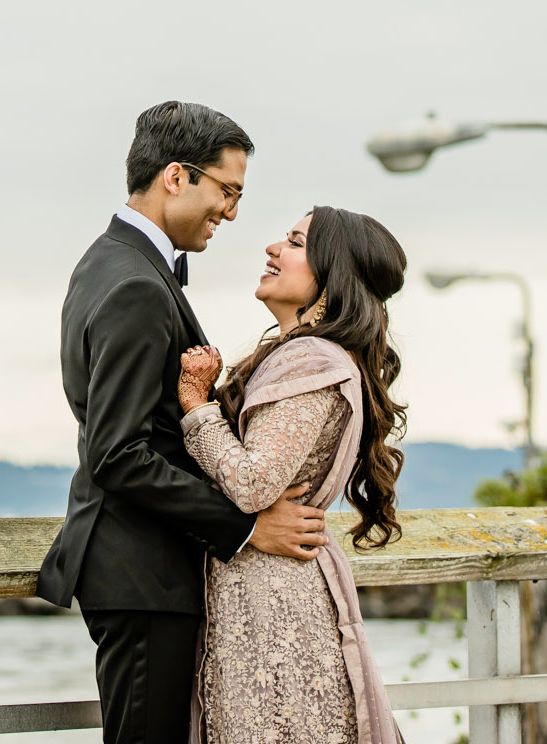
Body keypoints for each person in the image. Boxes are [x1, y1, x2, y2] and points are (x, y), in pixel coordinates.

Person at [39, 101, 333, 744]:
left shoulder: (106, 262)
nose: (231, 212)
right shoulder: (137, 285)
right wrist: (246, 525)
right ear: (177, 177)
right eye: (227, 190)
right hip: (142, 571)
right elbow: (117, 454)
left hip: (142, 568)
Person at [176, 206, 411, 744]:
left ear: (332, 273)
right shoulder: (308, 355)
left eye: (296, 242)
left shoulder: (310, 360)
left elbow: (255, 483)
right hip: (269, 586)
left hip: (272, 602)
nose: (273, 250)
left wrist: (196, 407)